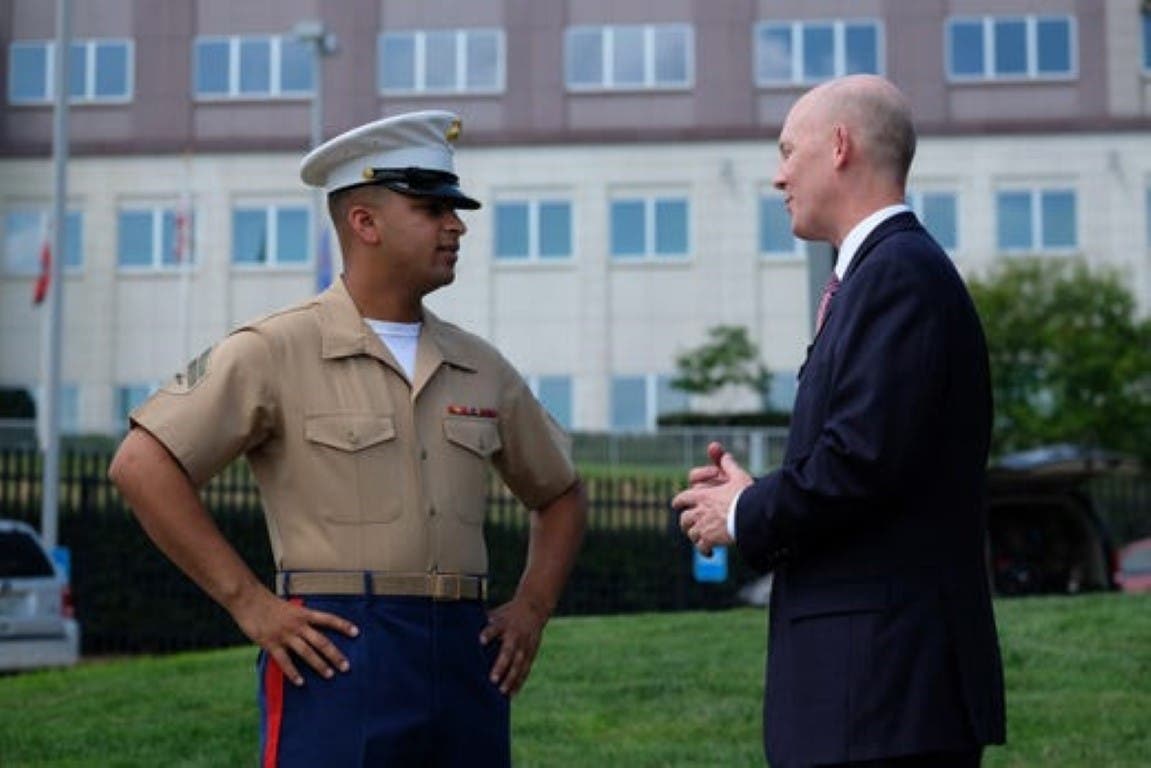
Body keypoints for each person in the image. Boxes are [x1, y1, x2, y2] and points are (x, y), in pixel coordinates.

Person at [108, 110, 587, 767]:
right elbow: (141, 464)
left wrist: (531, 608)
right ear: (364, 223)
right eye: (432, 208)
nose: (456, 225)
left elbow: (560, 492)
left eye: (455, 209)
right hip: (337, 646)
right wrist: (250, 605)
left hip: (462, 650)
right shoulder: (275, 348)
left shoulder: (481, 366)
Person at [672, 75, 1005, 767]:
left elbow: (858, 463)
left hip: (881, 698)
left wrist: (745, 510)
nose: (777, 175)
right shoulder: (883, 276)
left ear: (841, 146)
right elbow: (872, 461)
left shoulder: (896, 277)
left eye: (788, 150)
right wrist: (757, 494)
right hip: (871, 697)